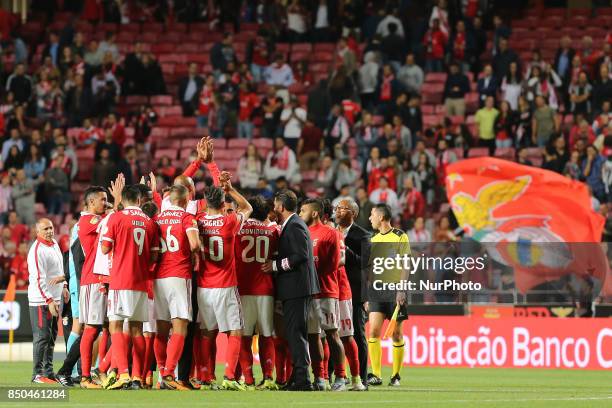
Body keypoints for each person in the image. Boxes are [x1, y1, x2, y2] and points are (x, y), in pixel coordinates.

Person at [195, 174, 253, 390]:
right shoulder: (229, 222)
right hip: (225, 286)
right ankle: (229, 377)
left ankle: (206, 376)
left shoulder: (197, 221)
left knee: (207, 333)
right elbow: (247, 208)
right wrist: (230, 190)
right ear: (222, 203)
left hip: (203, 287)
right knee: (235, 331)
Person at [101, 184, 160, 390]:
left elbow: (105, 248)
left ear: (123, 200)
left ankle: (123, 374)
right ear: (138, 200)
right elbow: (154, 256)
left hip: (120, 281)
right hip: (141, 283)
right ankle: (138, 376)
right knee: (137, 330)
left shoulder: (116, 218)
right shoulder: (150, 222)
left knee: (115, 325)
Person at [262, 190, 320, 391]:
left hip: (297, 288)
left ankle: (303, 380)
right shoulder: (292, 224)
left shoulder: (294, 225)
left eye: (276, 204)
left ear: (282, 207)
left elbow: (301, 256)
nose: (274, 208)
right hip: (296, 288)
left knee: (296, 333)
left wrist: (275, 266)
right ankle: (297, 376)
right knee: (295, 333)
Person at [153, 185, 201, 390]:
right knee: (180, 326)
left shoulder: (158, 218)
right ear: (185, 200)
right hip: (179, 276)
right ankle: (170, 374)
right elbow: (194, 244)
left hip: (158, 278)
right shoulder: (187, 218)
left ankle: (161, 373)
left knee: (161, 330)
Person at [299, 198, 347, 391]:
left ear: (315, 213)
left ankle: (341, 377)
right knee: (312, 336)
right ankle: (319, 376)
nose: (300, 214)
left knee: (333, 334)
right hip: (309, 293)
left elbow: (334, 264)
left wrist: (315, 272)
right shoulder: (303, 233)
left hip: (326, 291)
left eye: (303, 211)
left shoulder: (330, 233)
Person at [234, 196, 279, 390]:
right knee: (266, 334)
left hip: (243, 288)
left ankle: (248, 379)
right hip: (266, 289)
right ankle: (268, 376)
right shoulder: (272, 231)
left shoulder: (238, 230)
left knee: (245, 336)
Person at [366, 204, 410, 387]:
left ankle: (396, 375)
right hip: (377, 289)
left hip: (395, 290)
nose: (370, 218)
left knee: (397, 334)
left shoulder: (400, 236)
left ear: (381, 217)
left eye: (372, 214)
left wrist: (401, 289)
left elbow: (406, 264)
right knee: (373, 331)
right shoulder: (373, 239)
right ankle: (376, 374)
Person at [335, 198, 371, 388]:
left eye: (343, 208)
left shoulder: (363, 235)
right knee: (334, 335)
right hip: (334, 289)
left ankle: (362, 378)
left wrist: (344, 247)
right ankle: (338, 376)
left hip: (355, 292)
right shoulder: (332, 231)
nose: (338, 211)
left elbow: (364, 262)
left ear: (353, 214)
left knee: (357, 336)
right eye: (337, 208)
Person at [27, 218, 69, 384]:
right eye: (45, 229)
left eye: (51, 227)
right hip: (41, 301)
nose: (49, 231)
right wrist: (50, 300)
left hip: (54, 298)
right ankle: (37, 374)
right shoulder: (37, 250)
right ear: (38, 232)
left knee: (51, 337)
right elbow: (39, 279)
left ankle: (48, 373)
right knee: (41, 336)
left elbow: (59, 269)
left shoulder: (54, 244)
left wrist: (64, 286)